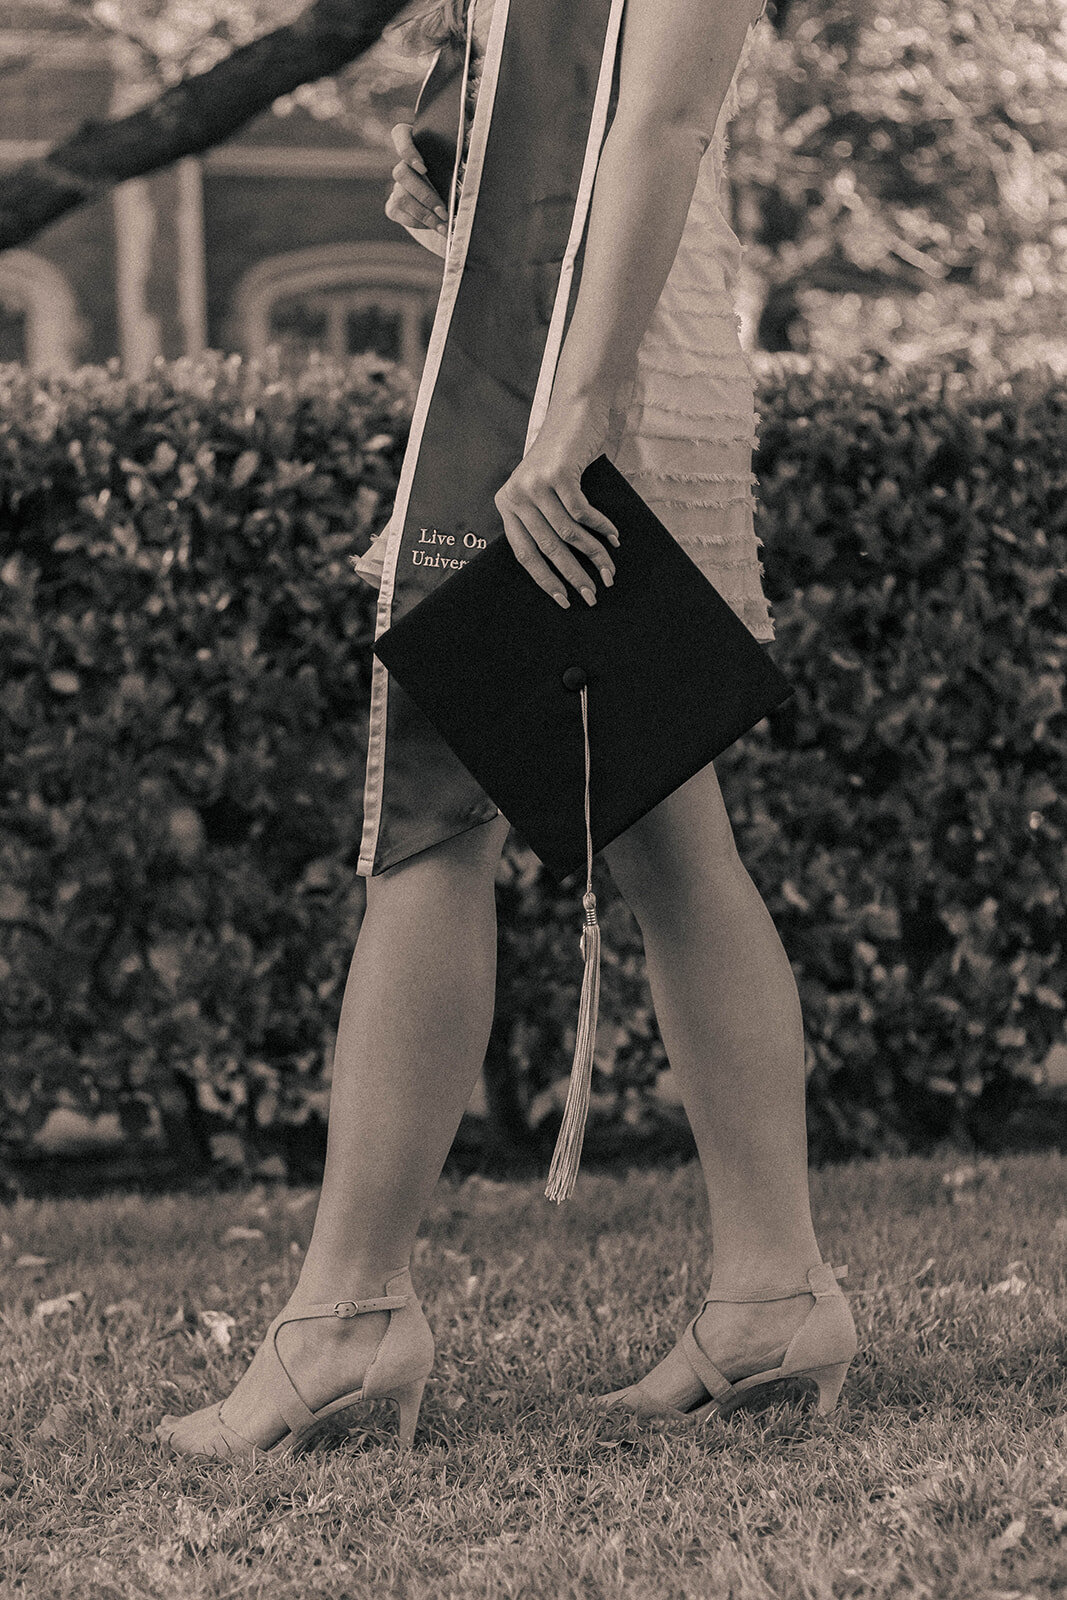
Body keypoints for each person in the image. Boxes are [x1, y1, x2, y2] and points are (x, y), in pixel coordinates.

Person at [155, 0, 857, 1460]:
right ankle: (768, 1295)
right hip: (574, 353)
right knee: (667, 831)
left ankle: (347, 1320)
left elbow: (657, 119)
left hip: (587, 382)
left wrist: (577, 410)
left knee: (434, 809)